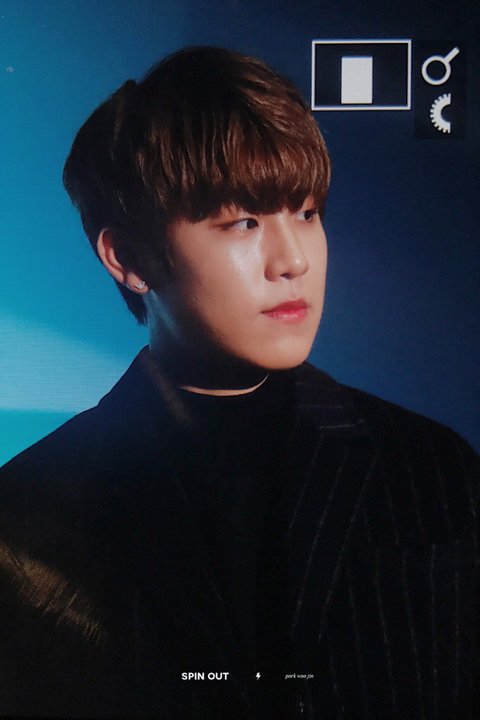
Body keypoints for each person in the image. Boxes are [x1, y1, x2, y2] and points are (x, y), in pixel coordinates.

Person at [0, 46, 478, 720]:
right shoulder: (28, 510)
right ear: (127, 257)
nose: (293, 260)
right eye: (243, 222)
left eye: (306, 212)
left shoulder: (431, 467)